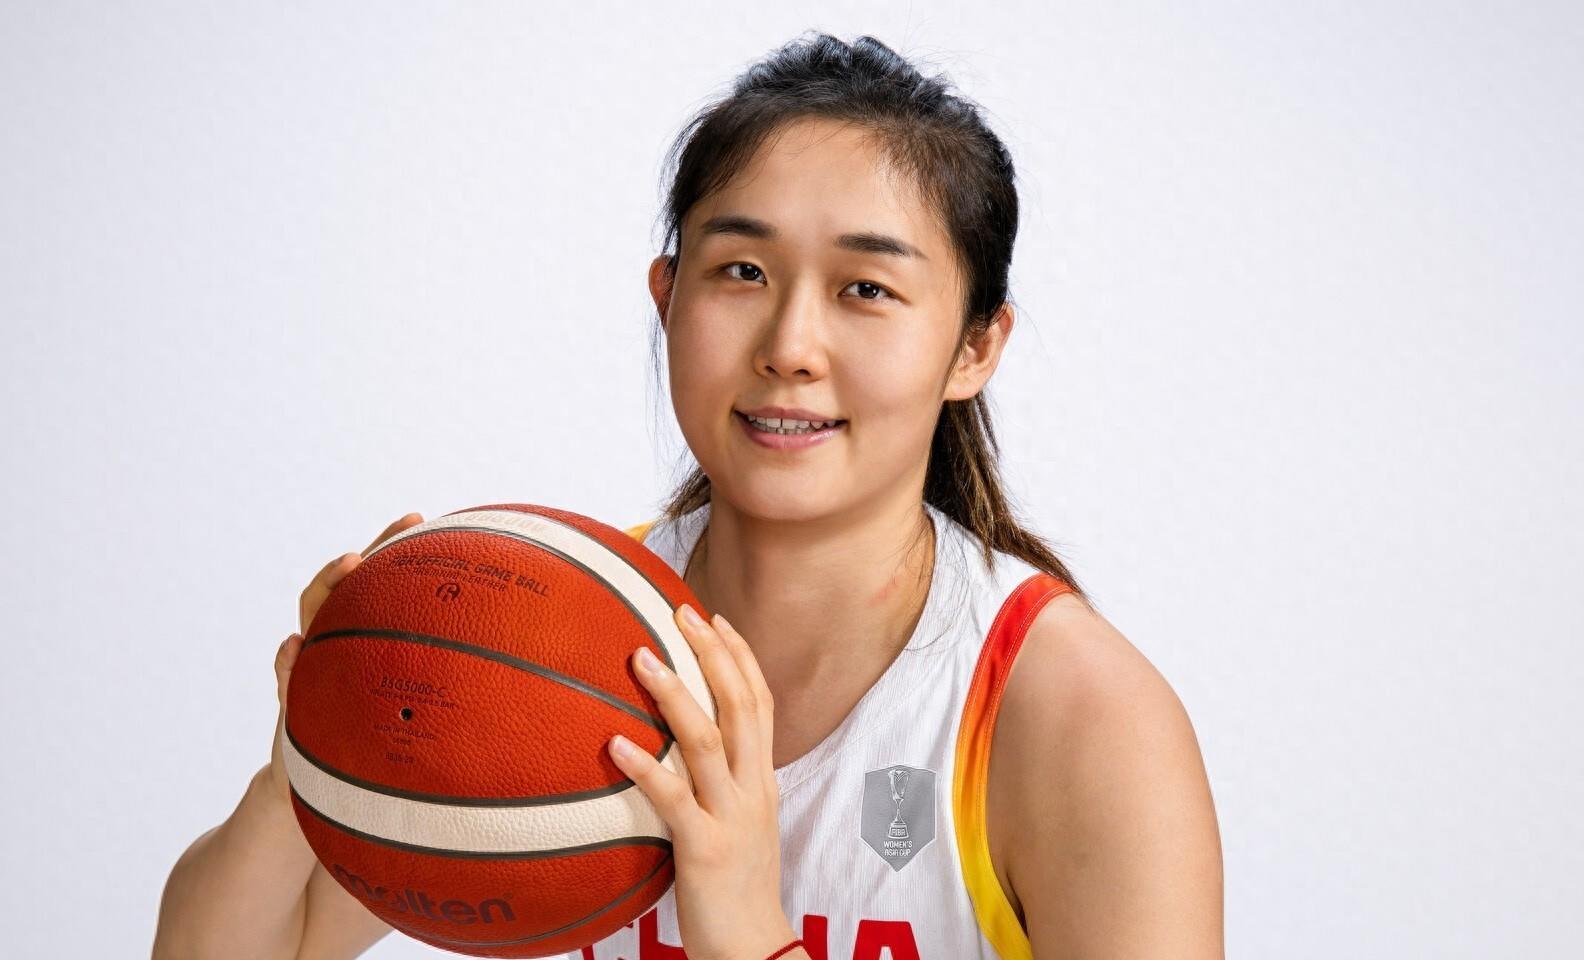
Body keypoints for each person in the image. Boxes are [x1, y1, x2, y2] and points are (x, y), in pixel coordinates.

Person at [154, 31, 1222, 960]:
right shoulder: (548, 637)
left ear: (975, 347)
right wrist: (317, 747)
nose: (791, 347)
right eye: (742, 272)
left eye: (867, 288)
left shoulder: (1076, 718)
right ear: (667, 297)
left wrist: (746, 930)